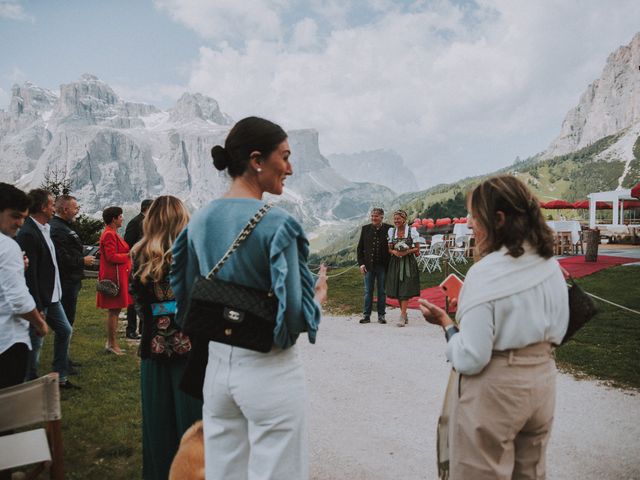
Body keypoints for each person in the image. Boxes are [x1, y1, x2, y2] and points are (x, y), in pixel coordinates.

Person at [171, 116, 328, 480]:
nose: (289, 168)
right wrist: (317, 299)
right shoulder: (278, 224)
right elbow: (292, 319)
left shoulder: (199, 220)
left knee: (224, 473)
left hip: (217, 371)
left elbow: (185, 295)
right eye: (285, 157)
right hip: (269, 369)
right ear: (257, 160)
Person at [420, 175, 569, 480]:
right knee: (531, 473)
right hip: (542, 382)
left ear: (498, 219)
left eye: (475, 216)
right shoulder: (550, 265)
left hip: (498, 390)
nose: (471, 224)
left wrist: (448, 329)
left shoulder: (485, 273)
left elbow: (472, 357)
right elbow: (562, 327)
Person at [130, 196, 202, 480]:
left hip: (154, 350)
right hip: (191, 353)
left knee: (158, 430)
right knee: (193, 428)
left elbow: (138, 306)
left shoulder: (137, 254)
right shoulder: (193, 251)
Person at [16, 188, 77, 389]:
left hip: (53, 294)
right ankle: (29, 383)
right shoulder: (28, 233)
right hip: (40, 298)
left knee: (64, 330)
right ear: (43, 207)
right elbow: (29, 273)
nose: (54, 208)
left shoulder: (45, 228)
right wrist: (37, 304)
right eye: (51, 204)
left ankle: (60, 376)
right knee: (36, 341)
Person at [0, 183, 48, 389]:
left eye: (23, 217)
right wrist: (40, 323)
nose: (20, 223)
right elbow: (19, 301)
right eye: (15, 216)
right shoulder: (8, 246)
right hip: (9, 341)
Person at [50, 195, 95, 372]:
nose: (78, 210)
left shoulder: (66, 226)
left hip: (73, 280)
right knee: (65, 324)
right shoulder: (57, 229)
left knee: (69, 321)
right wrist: (82, 261)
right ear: (64, 209)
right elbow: (61, 257)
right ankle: (61, 363)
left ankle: (65, 358)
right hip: (66, 281)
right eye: (75, 207)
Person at [96, 206, 131, 355]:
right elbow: (111, 257)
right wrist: (129, 256)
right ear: (114, 219)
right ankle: (112, 344)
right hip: (114, 278)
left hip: (118, 275)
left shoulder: (112, 233)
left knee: (115, 311)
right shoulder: (109, 235)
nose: (122, 219)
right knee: (114, 311)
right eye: (120, 216)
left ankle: (111, 343)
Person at [385, 209, 421, 327]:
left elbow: (417, 249)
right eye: (395, 219)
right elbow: (389, 249)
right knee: (398, 288)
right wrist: (395, 252)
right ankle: (404, 314)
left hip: (408, 263)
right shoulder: (392, 231)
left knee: (405, 289)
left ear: (404, 219)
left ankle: (402, 315)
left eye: (398, 219)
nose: (396, 221)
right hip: (395, 263)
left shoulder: (412, 231)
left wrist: (407, 251)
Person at [356, 207, 392, 324]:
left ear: (382, 217)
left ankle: (381, 316)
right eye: (372, 216)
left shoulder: (389, 229)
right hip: (368, 266)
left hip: (383, 266)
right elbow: (360, 249)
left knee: (382, 291)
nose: (373, 218)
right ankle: (366, 315)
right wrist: (361, 264)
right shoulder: (365, 229)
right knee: (368, 291)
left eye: (376, 216)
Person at [124, 198, 153, 340]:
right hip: (137, 264)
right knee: (134, 299)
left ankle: (143, 328)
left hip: (148, 264)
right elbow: (127, 243)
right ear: (147, 208)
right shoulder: (135, 222)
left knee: (146, 296)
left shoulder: (149, 222)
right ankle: (131, 329)